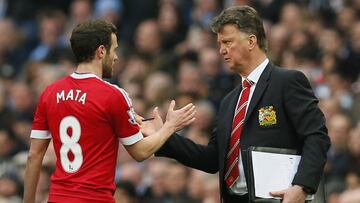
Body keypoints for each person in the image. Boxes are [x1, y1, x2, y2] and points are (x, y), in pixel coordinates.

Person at [145, 5, 330, 203]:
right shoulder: (229, 101)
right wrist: (163, 136)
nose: (222, 50)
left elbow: (316, 136)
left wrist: (301, 187)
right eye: (219, 44)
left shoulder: (287, 82)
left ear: (251, 41)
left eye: (227, 42)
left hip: (281, 198)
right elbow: (212, 159)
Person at [23, 20, 196, 203]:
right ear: (101, 51)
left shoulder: (50, 93)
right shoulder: (112, 95)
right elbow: (141, 152)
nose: (116, 57)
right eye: (114, 50)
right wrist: (170, 126)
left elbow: (34, 156)